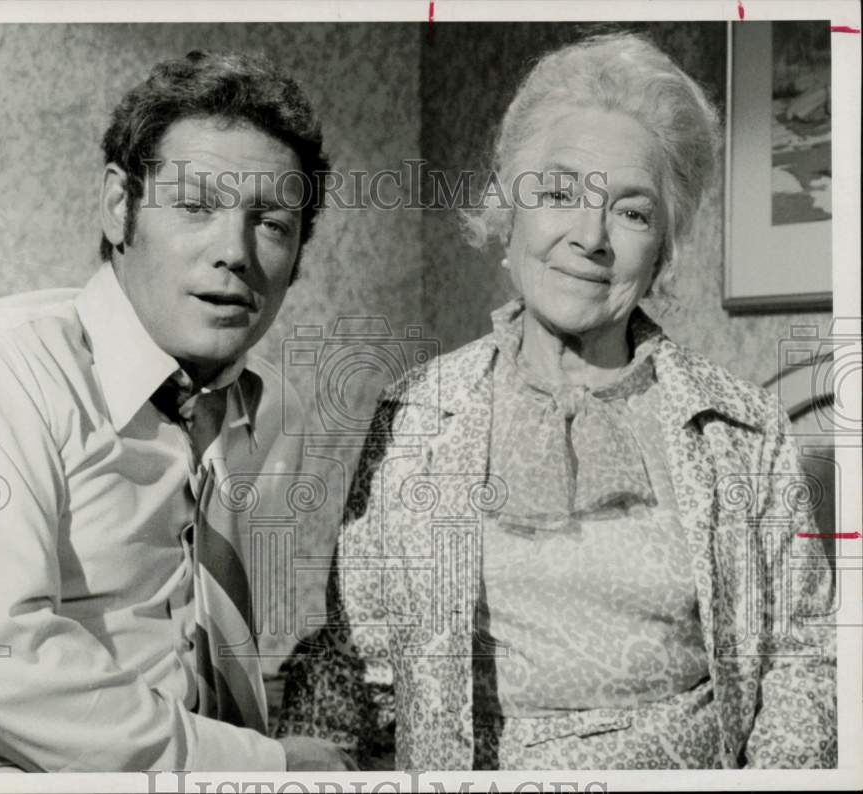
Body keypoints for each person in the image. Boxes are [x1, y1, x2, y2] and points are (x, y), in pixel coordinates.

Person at [277, 33, 837, 770]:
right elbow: (359, 657)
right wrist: (291, 762)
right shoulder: (414, 414)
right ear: (509, 212)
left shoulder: (740, 427)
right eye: (560, 194)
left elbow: (806, 660)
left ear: (663, 250)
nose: (590, 237)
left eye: (632, 213)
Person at [0, 48, 354, 772]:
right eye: (197, 206)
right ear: (119, 206)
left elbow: (211, 645)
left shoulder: (270, 409)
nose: (233, 252)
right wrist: (261, 767)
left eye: (271, 223)